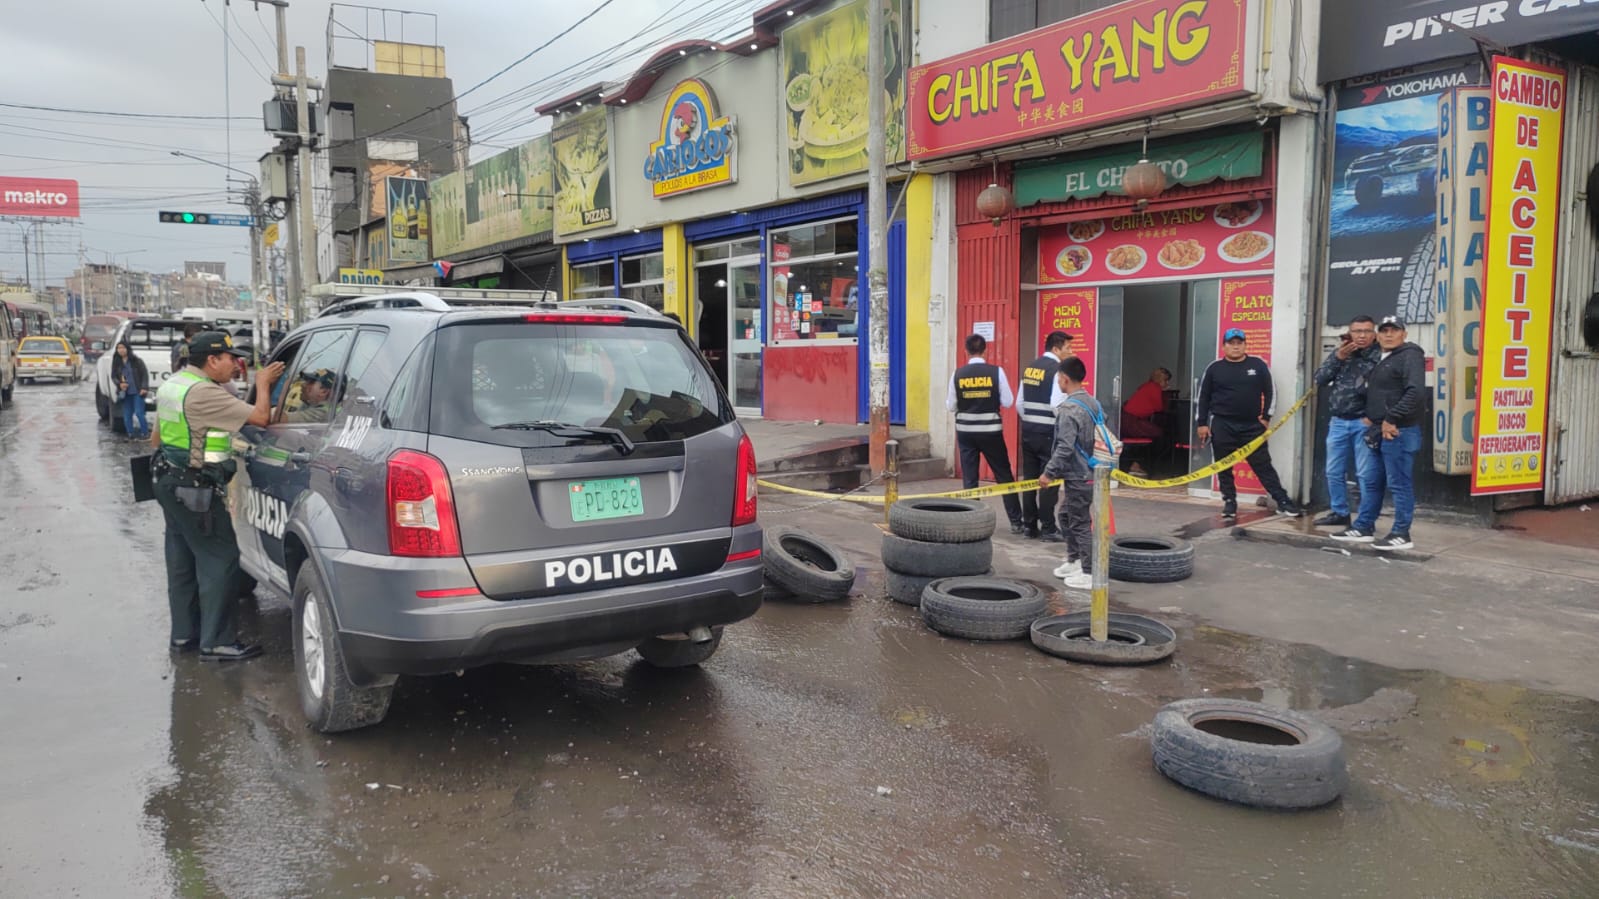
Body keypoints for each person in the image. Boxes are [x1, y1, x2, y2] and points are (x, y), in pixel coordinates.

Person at [152, 331, 285, 661]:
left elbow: (156, 438)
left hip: (169, 481)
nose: (235, 364)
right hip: (195, 488)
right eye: (230, 358)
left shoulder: (175, 384)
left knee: (181, 561)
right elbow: (261, 418)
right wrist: (263, 382)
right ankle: (217, 642)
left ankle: (185, 636)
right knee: (220, 559)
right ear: (212, 360)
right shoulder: (204, 393)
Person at [1332, 315, 1426, 550]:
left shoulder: (1410, 355)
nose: (1389, 335)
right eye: (1384, 331)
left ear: (1404, 334)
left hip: (1398, 431)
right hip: (1377, 430)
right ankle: (1364, 526)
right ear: (1378, 334)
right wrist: (1372, 417)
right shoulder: (1385, 358)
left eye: (1394, 330)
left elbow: (1415, 392)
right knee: (1372, 481)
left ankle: (1401, 533)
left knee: (1399, 483)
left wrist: (1391, 419)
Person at [1196, 329, 1301, 518]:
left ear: (1245, 345)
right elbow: (1203, 397)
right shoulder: (1214, 368)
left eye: (1239, 342)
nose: (1235, 346)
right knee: (1223, 465)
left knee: (1262, 464)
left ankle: (1283, 501)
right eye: (1231, 343)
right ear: (1224, 346)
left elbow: (1271, 392)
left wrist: (1266, 417)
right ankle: (1229, 503)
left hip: (1252, 425)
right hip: (1222, 424)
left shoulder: (1258, 365)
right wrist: (1201, 423)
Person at [947, 332, 1024, 534]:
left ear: (966, 351)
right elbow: (1008, 401)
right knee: (1004, 476)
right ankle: (1016, 522)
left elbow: (951, 406)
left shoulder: (957, 374)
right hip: (991, 433)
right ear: (985, 350)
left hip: (965, 433)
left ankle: (972, 522)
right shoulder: (996, 372)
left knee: (970, 479)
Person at [1037, 356, 1099, 590]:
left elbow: (1065, 446)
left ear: (1064, 379)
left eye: (1058, 380)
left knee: (1080, 522)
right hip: (1087, 471)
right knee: (1065, 516)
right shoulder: (1091, 402)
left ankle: (1090, 572)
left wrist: (1048, 473)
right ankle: (1074, 560)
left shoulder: (1068, 409)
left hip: (1078, 474)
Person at [1313, 315, 1381, 528]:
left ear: (1374, 334)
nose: (1361, 336)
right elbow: (1320, 379)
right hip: (1339, 421)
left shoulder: (1380, 356)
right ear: (1350, 333)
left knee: (1365, 473)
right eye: (1357, 331)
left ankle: (1365, 520)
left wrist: (1371, 419)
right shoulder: (1342, 353)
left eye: (1366, 331)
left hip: (1364, 422)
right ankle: (1339, 512)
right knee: (1333, 470)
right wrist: (1337, 358)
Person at [1016, 330, 1073, 541]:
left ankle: (1029, 526)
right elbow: (1056, 404)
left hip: (1029, 431)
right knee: (1049, 479)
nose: (1071, 352)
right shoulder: (1058, 369)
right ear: (1056, 349)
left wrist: (1030, 421)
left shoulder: (1030, 368)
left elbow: (1019, 404)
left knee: (1029, 480)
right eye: (1068, 348)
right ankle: (1048, 527)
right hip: (1049, 432)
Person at [111, 340, 151, 438]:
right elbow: (114, 376)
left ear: (127, 349)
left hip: (137, 391)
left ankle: (145, 433)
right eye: (119, 348)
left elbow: (144, 374)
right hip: (125, 392)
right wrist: (119, 384)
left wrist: (144, 387)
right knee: (127, 414)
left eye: (123, 348)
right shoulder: (116, 362)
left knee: (139, 413)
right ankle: (130, 433)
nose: (121, 350)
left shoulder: (137, 361)